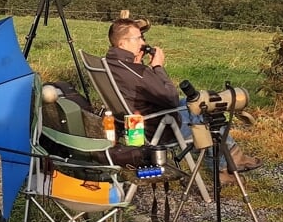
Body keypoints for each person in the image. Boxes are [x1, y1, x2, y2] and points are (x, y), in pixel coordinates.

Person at [103, 16, 259, 172]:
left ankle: (228, 162)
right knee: (204, 109)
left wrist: (138, 62)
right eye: (138, 39)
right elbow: (171, 98)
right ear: (123, 43)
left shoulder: (111, 63)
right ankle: (228, 164)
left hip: (138, 121)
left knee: (195, 101)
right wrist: (158, 67)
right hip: (162, 126)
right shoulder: (136, 72)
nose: (143, 43)